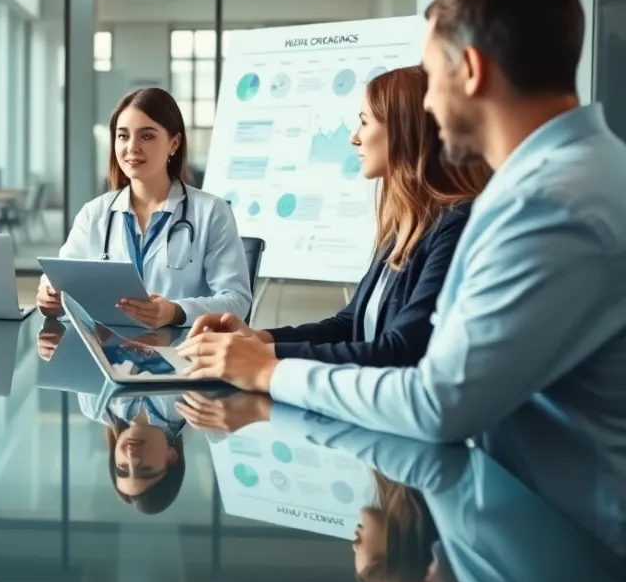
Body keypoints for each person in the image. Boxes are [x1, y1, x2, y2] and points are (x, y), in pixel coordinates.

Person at [176, 0, 626, 553]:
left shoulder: (548, 207)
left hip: (571, 548)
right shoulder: (578, 179)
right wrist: (264, 346)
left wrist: (268, 369)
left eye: (433, 77)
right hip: (546, 530)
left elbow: (434, 398)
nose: (431, 108)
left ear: (469, 69)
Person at [187, 66, 490, 366]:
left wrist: (263, 357)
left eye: (364, 123)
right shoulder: (402, 225)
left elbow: (399, 350)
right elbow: (348, 326)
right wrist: (259, 339)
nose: (354, 138)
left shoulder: (455, 224)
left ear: (402, 131)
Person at [36, 87, 252, 328]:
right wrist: (49, 298)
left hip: (183, 351)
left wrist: (176, 311)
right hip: (107, 350)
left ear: (174, 143)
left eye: (146, 136)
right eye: (123, 136)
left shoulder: (211, 212)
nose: (132, 147)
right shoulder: (94, 213)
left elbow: (237, 300)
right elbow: (60, 278)